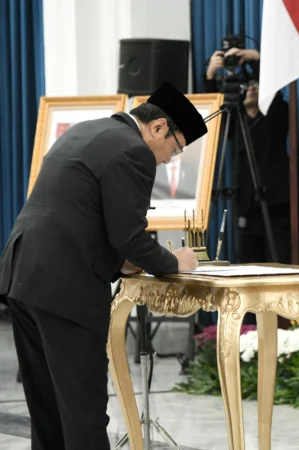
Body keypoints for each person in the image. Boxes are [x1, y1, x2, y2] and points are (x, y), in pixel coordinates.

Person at [0, 81, 206, 450]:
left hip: (24, 275)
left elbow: (82, 215)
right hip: (66, 287)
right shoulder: (133, 151)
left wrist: (121, 262)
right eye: (172, 150)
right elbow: (130, 236)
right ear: (158, 127)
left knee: (47, 407)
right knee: (84, 412)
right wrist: (176, 261)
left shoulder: (87, 130)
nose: (166, 160)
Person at [205, 47, 291, 264]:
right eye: (247, 85)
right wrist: (210, 76)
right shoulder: (234, 121)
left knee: (278, 265)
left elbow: (275, 93)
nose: (251, 89)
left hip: (275, 208)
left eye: (255, 84)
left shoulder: (275, 115)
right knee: (248, 265)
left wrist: (258, 59)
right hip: (245, 208)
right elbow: (210, 118)